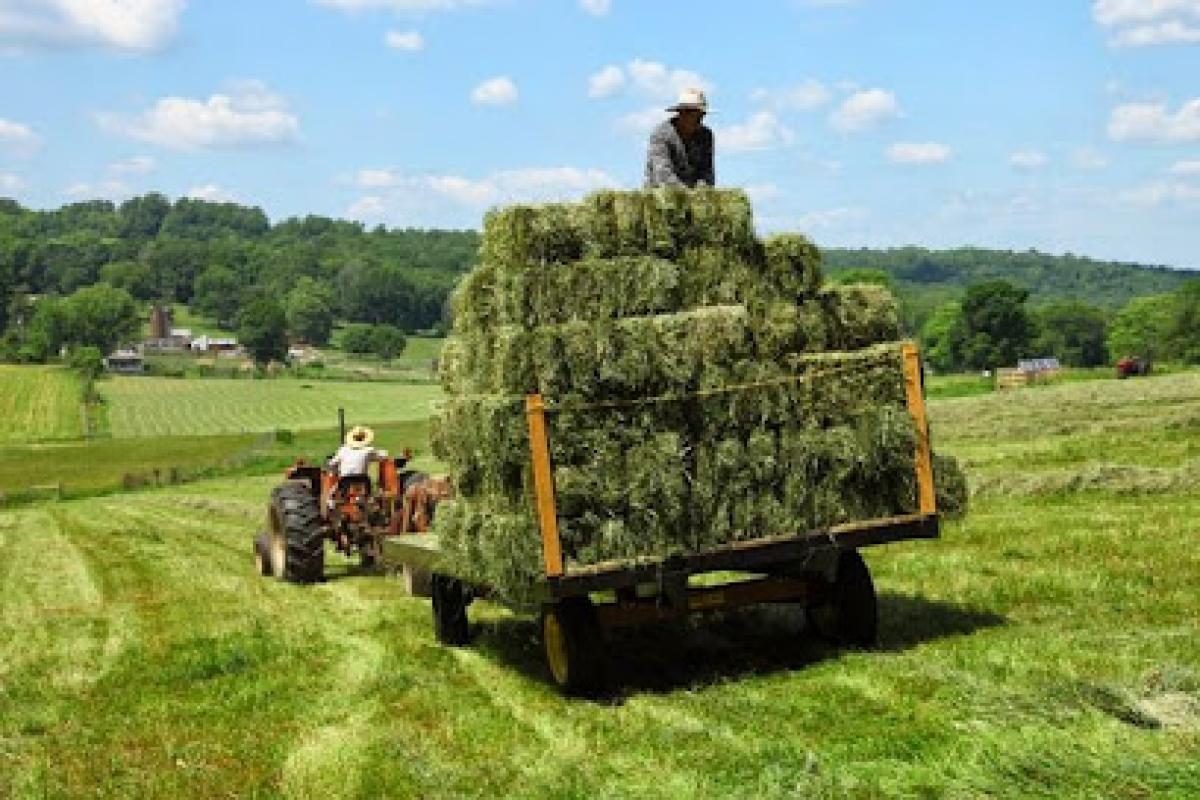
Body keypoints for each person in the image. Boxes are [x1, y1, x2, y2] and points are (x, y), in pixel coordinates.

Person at [644, 88, 715, 189]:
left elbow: (707, 172)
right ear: (683, 113)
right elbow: (662, 173)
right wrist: (686, 194)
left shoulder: (706, 135)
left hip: (693, 196)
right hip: (661, 195)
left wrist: (702, 192)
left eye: (702, 115)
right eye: (697, 115)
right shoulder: (661, 134)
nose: (701, 119)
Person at [329, 425, 386, 496]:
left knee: (335, 489)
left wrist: (336, 471)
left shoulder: (343, 449)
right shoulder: (368, 450)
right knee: (369, 487)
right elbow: (381, 457)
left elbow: (332, 463)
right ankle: (368, 498)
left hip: (345, 478)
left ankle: (331, 500)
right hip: (362, 478)